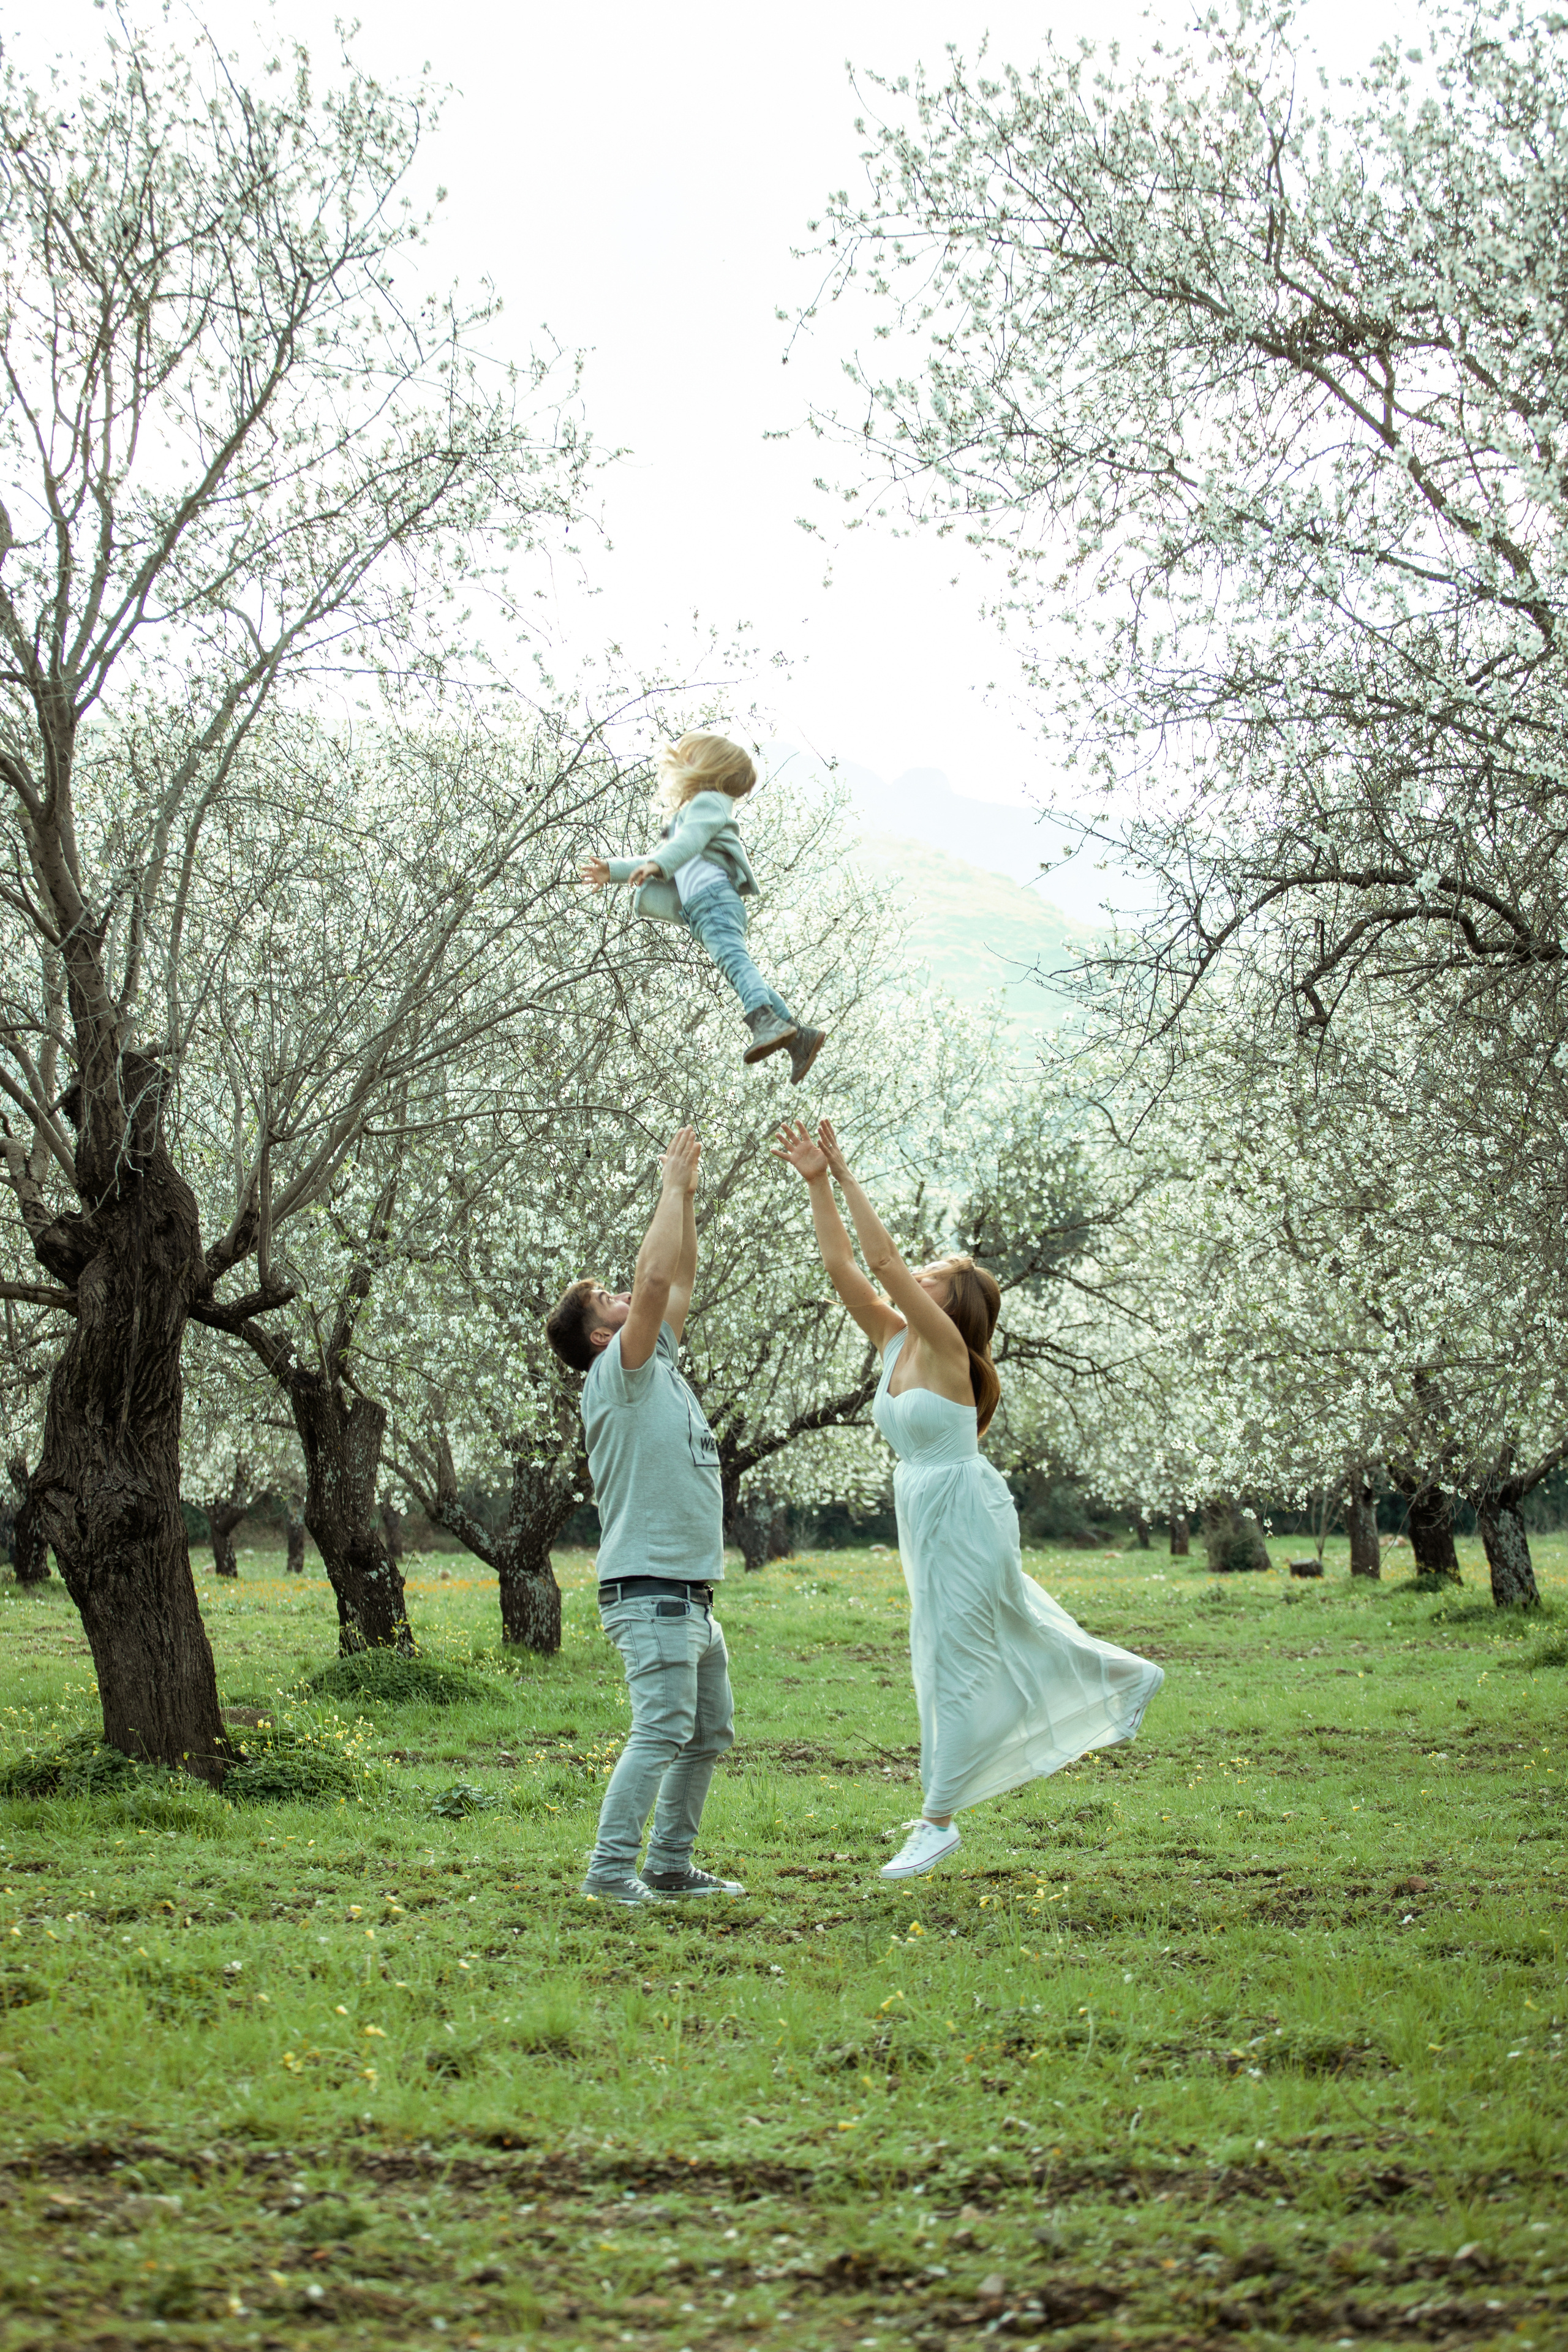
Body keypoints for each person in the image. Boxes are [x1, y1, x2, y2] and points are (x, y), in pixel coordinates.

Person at [772, 1117, 1164, 1880]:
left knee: (956, 1659)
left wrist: (845, 1168)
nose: (911, 1280)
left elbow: (879, 1257)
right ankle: (1119, 1676)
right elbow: (843, 1264)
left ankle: (938, 1819)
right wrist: (816, 1183)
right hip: (926, 1510)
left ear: (954, 1306)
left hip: (960, 1507)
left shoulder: (950, 1351)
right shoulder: (894, 1342)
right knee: (958, 1645)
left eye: (929, 1281)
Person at [545, 1125, 745, 1907]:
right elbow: (655, 1278)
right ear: (602, 1335)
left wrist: (688, 1196)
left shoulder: (651, 1359)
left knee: (705, 1733)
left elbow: (677, 1280)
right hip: (653, 1592)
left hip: (688, 1594)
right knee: (662, 1732)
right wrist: (666, 1187)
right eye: (614, 1302)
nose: (632, 1302)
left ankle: (667, 1867)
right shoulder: (617, 1375)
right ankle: (608, 1874)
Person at [579, 732, 826, 1085]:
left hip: (713, 899)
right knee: (737, 969)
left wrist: (658, 865)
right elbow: (673, 851)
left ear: (710, 770)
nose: (682, 764)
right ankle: (799, 1039)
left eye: (692, 758)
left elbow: (690, 841)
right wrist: (614, 871)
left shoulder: (711, 802)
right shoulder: (693, 813)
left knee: (737, 964)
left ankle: (766, 1020)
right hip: (702, 909)